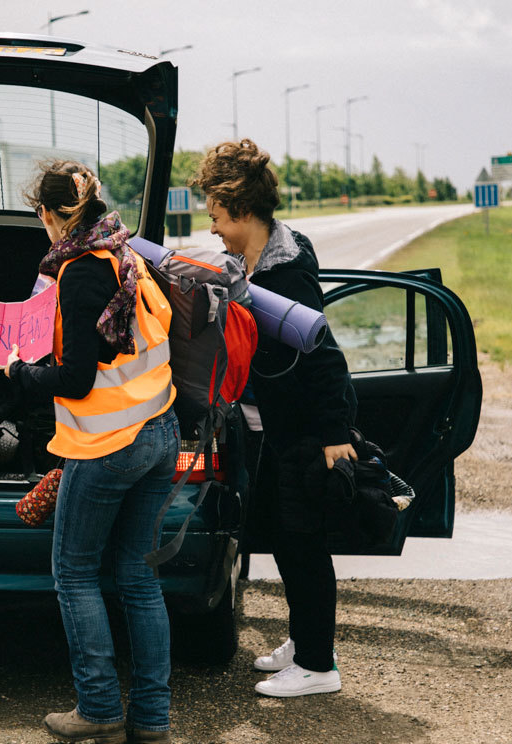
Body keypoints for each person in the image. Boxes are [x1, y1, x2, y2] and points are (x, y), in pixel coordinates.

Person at [4, 160, 179, 744]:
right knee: (138, 577)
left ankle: (101, 711)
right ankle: (152, 721)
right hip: (161, 430)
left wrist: (19, 375)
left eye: (39, 214)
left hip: (109, 445)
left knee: (74, 573)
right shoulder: (126, 255)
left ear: (51, 214)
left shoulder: (78, 275)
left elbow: (76, 379)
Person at [192, 139, 358, 698]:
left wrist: (335, 435)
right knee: (283, 540)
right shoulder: (252, 262)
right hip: (271, 428)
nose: (211, 225)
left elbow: (324, 354)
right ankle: (308, 640)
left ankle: (317, 666)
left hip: (304, 432)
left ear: (240, 208)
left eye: (215, 214)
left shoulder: (285, 274)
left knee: (303, 544)